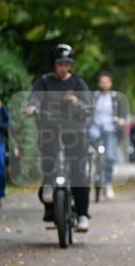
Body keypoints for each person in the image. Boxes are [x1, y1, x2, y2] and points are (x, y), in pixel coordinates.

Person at [25, 43, 93, 232]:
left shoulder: (78, 83)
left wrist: (78, 102)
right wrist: (32, 106)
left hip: (74, 131)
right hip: (51, 129)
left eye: (67, 64)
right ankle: (49, 184)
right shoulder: (44, 82)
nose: (64, 68)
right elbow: (35, 97)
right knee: (49, 156)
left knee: (79, 173)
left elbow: (88, 104)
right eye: (60, 64)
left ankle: (82, 215)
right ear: (53, 64)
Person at [91, 71, 128, 199]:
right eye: (102, 82)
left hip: (111, 129)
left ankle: (107, 183)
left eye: (106, 82)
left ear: (111, 83)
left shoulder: (116, 97)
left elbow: (123, 113)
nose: (104, 84)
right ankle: (90, 155)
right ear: (99, 83)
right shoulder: (94, 96)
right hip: (96, 127)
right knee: (89, 134)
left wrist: (122, 120)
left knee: (110, 157)